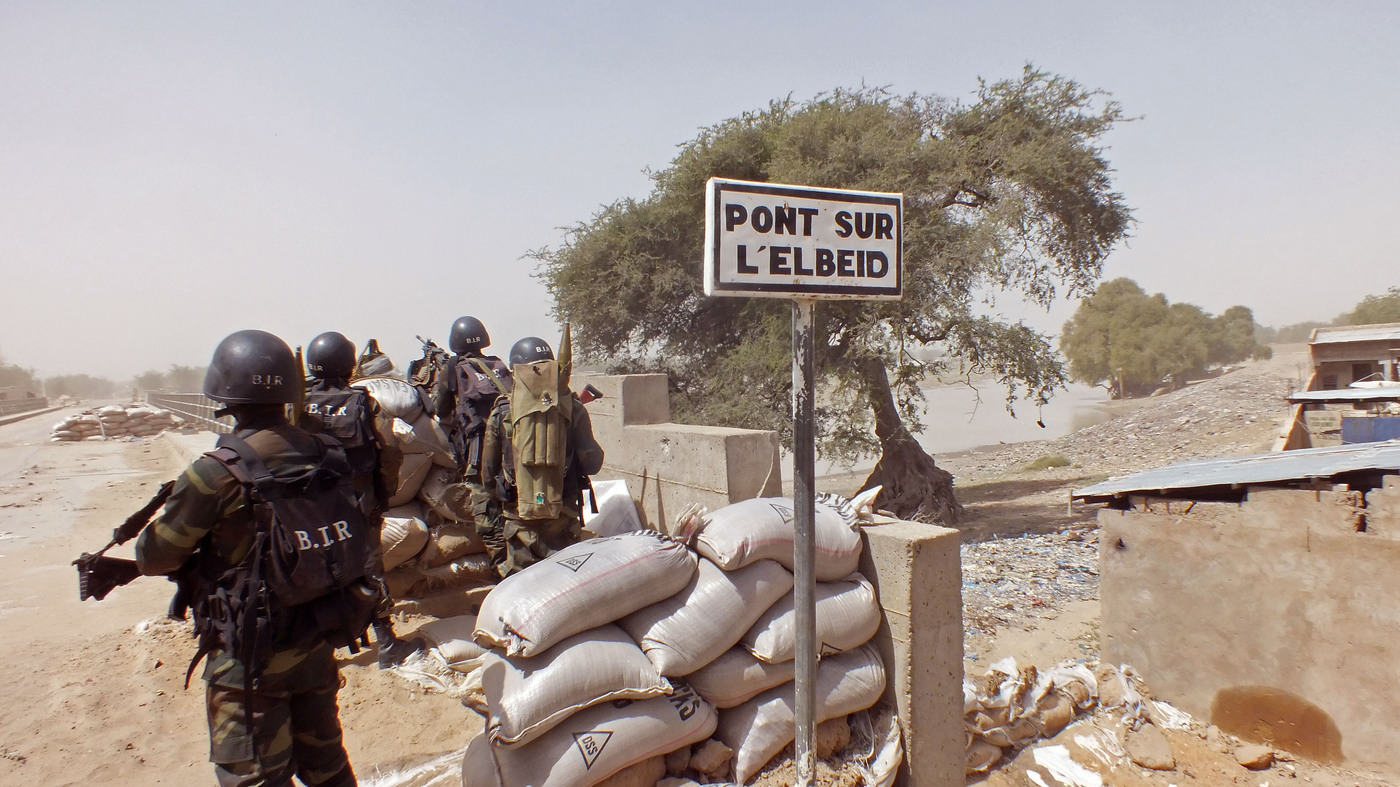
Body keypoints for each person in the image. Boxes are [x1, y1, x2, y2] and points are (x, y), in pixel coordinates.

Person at [135, 330, 361, 787]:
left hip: (250, 660)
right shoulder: (327, 455)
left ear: (224, 391)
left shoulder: (215, 473)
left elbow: (154, 556)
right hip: (315, 638)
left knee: (253, 775)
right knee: (327, 764)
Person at [301, 330, 419, 669]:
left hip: (309, 510)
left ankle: (319, 652)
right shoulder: (363, 403)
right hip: (357, 505)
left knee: (314, 573)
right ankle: (387, 644)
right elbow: (390, 452)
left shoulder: (296, 407)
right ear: (349, 366)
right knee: (369, 571)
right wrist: (384, 492)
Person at [479, 336, 604, 576]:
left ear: (515, 371)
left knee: (521, 586)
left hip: (518, 519)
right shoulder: (572, 408)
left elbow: (487, 474)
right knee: (565, 583)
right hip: (563, 517)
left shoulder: (502, 411)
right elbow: (593, 463)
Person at [430, 316, 514, 569]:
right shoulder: (498, 365)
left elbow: (439, 408)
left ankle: (503, 567)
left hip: (479, 452)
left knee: (485, 509)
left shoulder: (454, 368)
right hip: (511, 447)